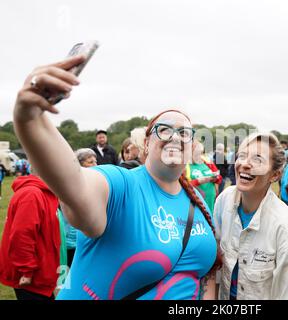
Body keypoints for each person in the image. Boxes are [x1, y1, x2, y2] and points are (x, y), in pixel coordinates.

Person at [12, 55, 221, 300]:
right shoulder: (122, 184)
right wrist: (30, 120)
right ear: (145, 144)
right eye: (164, 130)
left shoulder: (195, 199)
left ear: (193, 145)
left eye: (184, 132)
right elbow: (74, 184)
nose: (175, 137)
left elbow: (203, 274)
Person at [213, 132, 288, 300]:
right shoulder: (224, 201)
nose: (245, 164)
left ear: (275, 175)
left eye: (257, 159)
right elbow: (216, 262)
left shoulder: (286, 227)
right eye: (242, 156)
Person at [0, 168, 61, 300]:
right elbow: (21, 236)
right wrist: (26, 271)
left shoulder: (47, 192)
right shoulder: (32, 194)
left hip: (42, 273)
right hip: (31, 277)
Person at [62, 148, 97, 268]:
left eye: (95, 161)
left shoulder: (95, 183)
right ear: (80, 164)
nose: (95, 164)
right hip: (70, 241)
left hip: (87, 239)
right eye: (90, 162)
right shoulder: (70, 184)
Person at [185, 141, 222, 213]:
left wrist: (215, 178)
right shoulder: (185, 165)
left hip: (210, 201)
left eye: (201, 153)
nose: (199, 156)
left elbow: (219, 178)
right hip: (195, 202)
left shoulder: (207, 162)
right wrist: (199, 181)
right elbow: (183, 185)